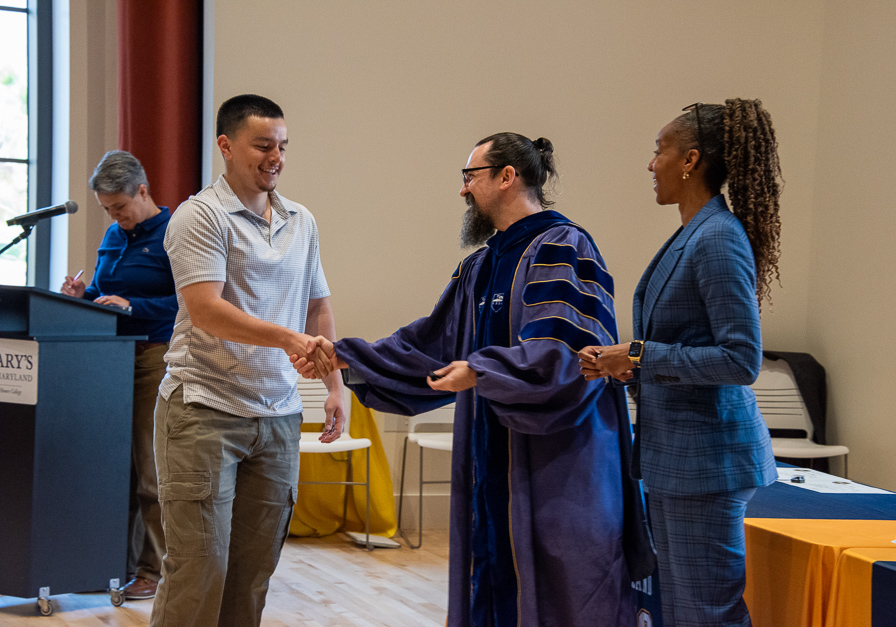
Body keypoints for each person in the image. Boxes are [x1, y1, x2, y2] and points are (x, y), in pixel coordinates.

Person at [294, 132, 655, 627]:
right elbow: (429, 346)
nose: (462, 191)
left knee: (563, 596)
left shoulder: (564, 246)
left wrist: (481, 371)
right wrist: (343, 356)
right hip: (491, 466)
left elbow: (569, 355)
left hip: (558, 468)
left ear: (508, 177)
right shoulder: (481, 266)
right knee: (490, 587)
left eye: (470, 177)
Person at [579, 99, 782, 626]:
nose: (652, 165)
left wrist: (641, 354)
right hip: (677, 460)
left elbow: (741, 359)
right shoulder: (693, 232)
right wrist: (622, 364)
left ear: (690, 160)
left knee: (706, 616)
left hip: (707, 462)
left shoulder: (718, 238)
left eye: (659, 151)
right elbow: (680, 345)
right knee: (686, 613)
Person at [150, 94, 342, 627]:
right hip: (203, 412)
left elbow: (318, 303)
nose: (274, 156)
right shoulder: (200, 216)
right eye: (262, 145)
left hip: (277, 416)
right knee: (199, 569)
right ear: (226, 146)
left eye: (281, 146)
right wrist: (289, 340)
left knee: (253, 571)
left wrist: (334, 388)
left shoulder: (301, 220)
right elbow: (208, 311)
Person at [60, 150, 177, 600]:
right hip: (108, 358)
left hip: (155, 355)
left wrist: (135, 307)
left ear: (143, 191)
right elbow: (107, 293)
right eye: (108, 210)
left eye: (120, 208)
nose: (115, 217)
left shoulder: (173, 234)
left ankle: (153, 570)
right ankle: (114, 565)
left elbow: (190, 303)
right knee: (113, 468)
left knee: (149, 470)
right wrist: (82, 294)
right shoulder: (112, 235)